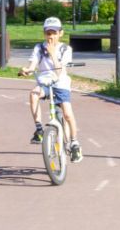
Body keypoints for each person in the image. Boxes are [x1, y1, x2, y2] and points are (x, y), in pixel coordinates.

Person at [19, 17, 82, 162]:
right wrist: (26, 70)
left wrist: (53, 53)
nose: (51, 36)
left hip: (60, 83)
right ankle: (39, 129)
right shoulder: (39, 48)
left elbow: (59, 71)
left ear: (60, 33)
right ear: (44, 34)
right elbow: (32, 66)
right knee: (34, 94)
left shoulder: (66, 49)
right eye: (48, 33)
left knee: (67, 114)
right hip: (45, 83)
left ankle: (74, 143)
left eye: (54, 33)